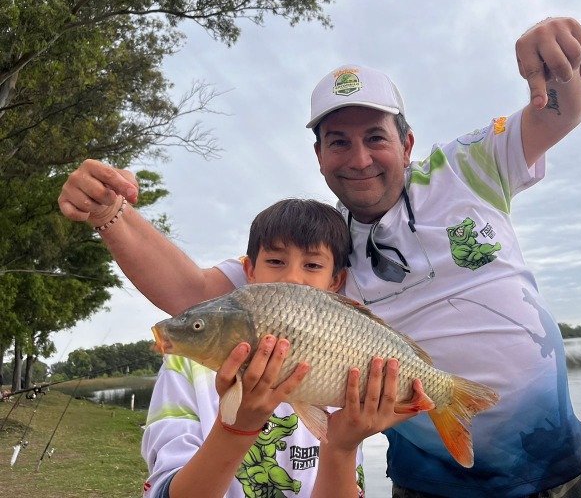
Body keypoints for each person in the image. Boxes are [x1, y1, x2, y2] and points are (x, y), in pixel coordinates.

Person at [59, 17, 581, 497]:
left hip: (565, 468)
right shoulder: (324, 253)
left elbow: (557, 117)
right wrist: (111, 214)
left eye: (375, 136)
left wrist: (559, 67)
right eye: (337, 142)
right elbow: (193, 294)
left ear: (407, 143)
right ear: (320, 158)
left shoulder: (469, 167)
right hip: (430, 486)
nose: (359, 158)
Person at [141, 198, 425, 498]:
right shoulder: (185, 367)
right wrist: (236, 429)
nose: (292, 278)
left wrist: (341, 448)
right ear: (249, 271)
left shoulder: (344, 365)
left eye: (313, 265)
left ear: (335, 282)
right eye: (276, 261)